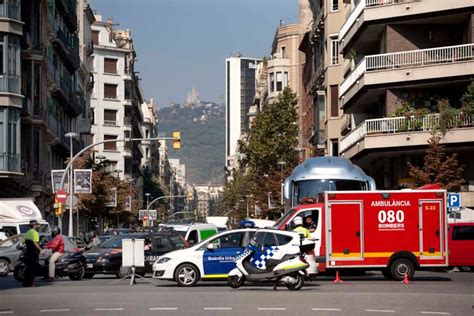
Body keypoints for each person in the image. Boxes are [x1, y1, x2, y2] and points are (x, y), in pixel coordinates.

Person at [22, 220, 43, 287]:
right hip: (34, 253)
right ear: (34, 225)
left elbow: (23, 242)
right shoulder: (35, 233)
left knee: (28, 268)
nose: (38, 226)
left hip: (28, 253)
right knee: (33, 268)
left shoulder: (27, 232)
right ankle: (32, 283)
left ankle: (26, 283)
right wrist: (41, 250)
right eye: (37, 225)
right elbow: (35, 243)